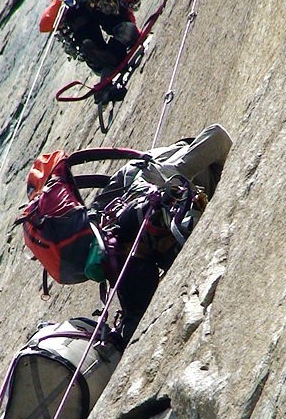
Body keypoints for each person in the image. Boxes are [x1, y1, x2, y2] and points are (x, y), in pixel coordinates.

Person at [87, 124, 232, 343]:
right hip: (139, 185)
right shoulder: (156, 246)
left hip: (152, 175)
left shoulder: (169, 178)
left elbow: (219, 137)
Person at [40, 0, 176, 78]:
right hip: (97, 2)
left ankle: (103, 69)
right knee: (126, 30)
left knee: (102, 52)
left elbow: (125, 12)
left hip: (83, 10)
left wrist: (139, 36)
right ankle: (105, 60)